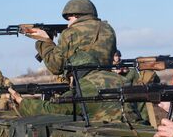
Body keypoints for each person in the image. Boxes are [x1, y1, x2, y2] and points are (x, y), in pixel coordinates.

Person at [8, 52, 140, 123]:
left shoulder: (85, 87)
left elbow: (54, 110)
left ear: (75, 73)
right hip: (137, 129)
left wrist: (22, 102)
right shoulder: (119, 78)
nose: (70, 82)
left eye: (69, 77)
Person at [28, 0, 117, 75]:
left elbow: (55, 67)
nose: (68, 23)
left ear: (75, 14)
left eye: (69, 19)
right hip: (108, 81)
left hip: (83, 86)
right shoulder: (108, 29)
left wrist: (45, 41)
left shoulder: (70, 33)